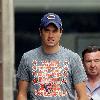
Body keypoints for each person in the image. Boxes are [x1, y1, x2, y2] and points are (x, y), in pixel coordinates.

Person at [16, 13, 88, 100]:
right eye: (47, 30)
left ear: (61, 32)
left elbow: (83, 96)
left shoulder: (73, 58)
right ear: (40, 32)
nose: (50, 35)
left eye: (54, 31)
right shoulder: (27, 58)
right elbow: (21, 94)